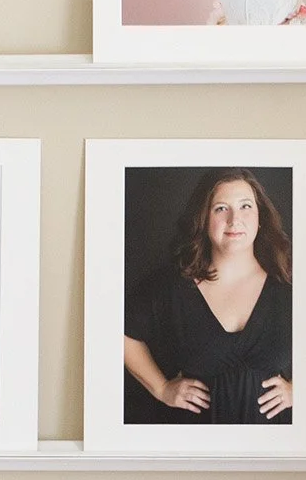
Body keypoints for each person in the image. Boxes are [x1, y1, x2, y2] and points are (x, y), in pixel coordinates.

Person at [123, 169, 293, 425]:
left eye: (245, 206)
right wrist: (161, 388)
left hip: (276, 445)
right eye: (221, 209)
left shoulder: (288, 285)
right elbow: (118, 332)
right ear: (203, 219)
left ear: (260, 217)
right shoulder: (173, 287)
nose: (234, 220)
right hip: (192, 443)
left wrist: (301, 388)